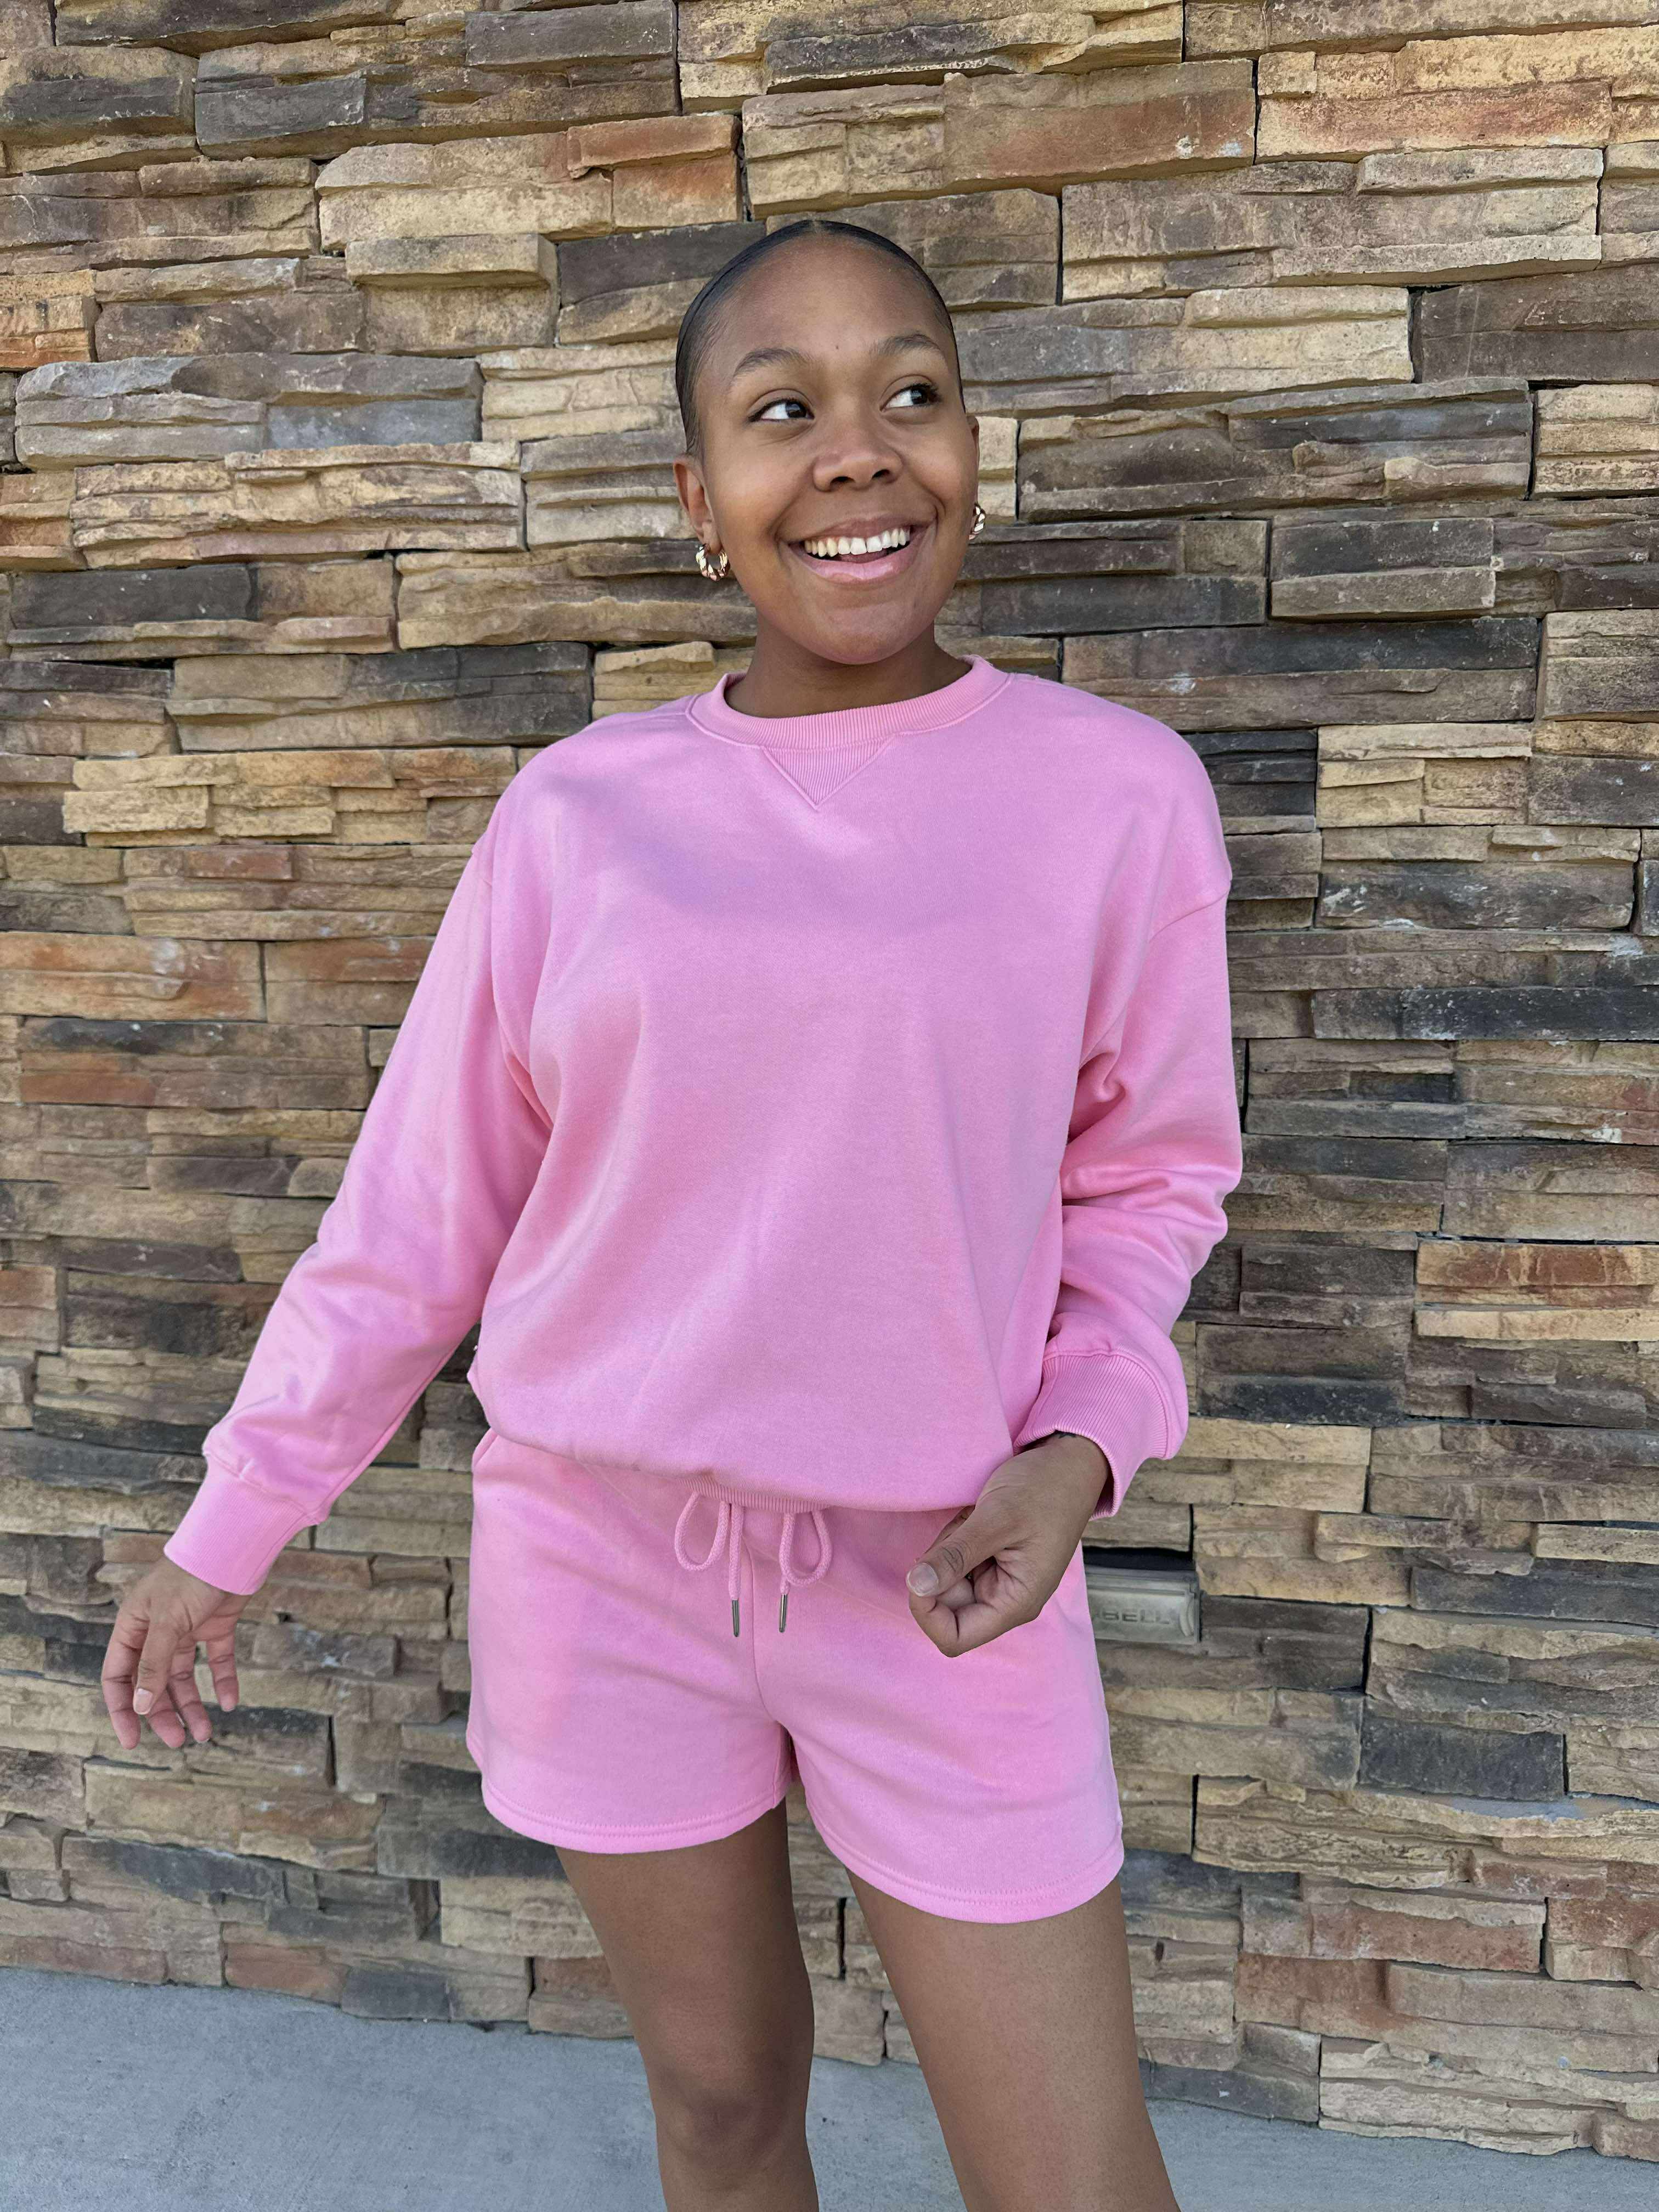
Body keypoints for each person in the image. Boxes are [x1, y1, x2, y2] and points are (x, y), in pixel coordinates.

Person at [101, 217, 1243, 2212]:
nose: (860, 447)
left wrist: (1078, 1451)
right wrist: (232, 1524)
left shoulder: (1114, 796)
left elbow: (1153, 1181)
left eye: (911, 392)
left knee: (1069, 2178)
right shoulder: (579, 817)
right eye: (782, 410)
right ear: (702, 503)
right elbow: (419, 1215)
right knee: (719, 2115)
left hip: (951, 1576)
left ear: (972, 449)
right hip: (603, 1570)